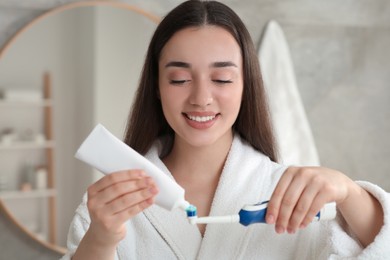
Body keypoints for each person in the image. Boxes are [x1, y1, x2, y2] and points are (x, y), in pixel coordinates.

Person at [62, 1, 389, 259]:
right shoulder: (113, 207)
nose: (201, 98)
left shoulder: (291, 198)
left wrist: (350, 192)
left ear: (247, 86)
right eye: (179, 79)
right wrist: (101, 241)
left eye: (222, 79)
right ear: (157, 87)